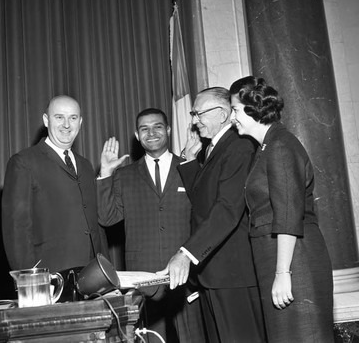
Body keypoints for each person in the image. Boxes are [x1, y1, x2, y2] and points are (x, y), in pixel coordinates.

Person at [229, 76, 334, 342]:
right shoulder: (267, 146)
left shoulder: (280, 146)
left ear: (255, 109)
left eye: (235, 110)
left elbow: (288, 214)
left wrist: (282, 273)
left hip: (294, 262)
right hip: (282, 259)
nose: (232, 117)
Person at [160, 87, 266, 343]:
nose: (194, 121)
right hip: (213, 275)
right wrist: (188, 159)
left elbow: (227, 209)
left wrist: (186, 254)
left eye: (199, 114)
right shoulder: (215, 148)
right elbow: (203, 202)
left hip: (233, 276)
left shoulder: (238, 146)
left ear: (222, 114)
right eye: (193, 114)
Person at [97, 108, 205, 343]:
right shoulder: (124, 175)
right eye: (144, 128)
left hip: (186, 276)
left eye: (157, 126)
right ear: (137, 135)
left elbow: (205, 217)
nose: (151, 133)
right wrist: (105, 173)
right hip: (145, 282)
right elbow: (107, 218)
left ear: (167, 130)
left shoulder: (189, 167)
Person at [2, 95, 103, 272]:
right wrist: (31, 283)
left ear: (80, 122)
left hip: (92, 274)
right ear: (46, 120)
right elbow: (17, 231)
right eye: (59, 117)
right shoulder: (24, 162)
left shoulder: (85, 165)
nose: (66, 125)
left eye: (73, 118)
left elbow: (95, 225)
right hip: (50, 277)